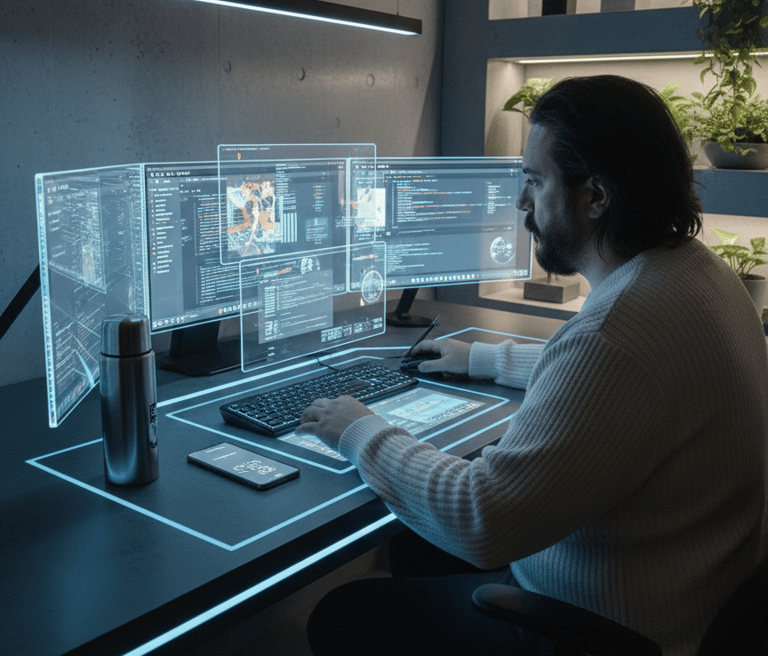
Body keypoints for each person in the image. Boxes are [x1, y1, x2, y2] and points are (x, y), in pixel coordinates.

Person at [296, 75, 768, 656]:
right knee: (413, 546)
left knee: (344, 615)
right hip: (689, 592)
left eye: (534, 180)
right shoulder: (700, 275)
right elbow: (625, 383)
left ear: (595, 196)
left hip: (607, 626)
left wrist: (357, 429)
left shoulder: (615, 332)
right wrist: (485, 357)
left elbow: (481, 519)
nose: (521, 202)